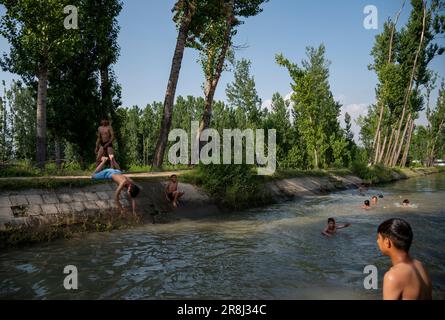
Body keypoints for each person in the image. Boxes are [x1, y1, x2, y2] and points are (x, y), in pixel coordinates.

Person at [377, 218, 432, 300]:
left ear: (387, 242)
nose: (377, 241)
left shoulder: (393, 276)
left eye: (378, 238)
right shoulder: (420, 266)